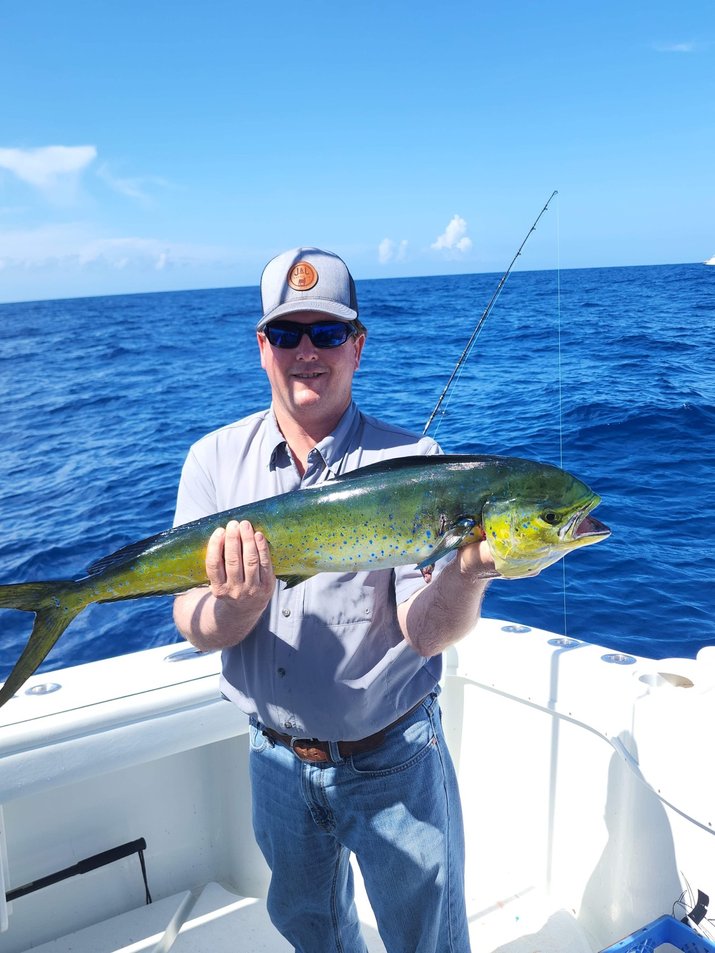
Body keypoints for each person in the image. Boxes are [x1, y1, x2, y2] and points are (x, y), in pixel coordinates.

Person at [173, 247, 498, 953]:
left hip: (393, 762)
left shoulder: (417, 462)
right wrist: (232, 611)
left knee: (427, 941)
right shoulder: (211, 461)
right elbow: (191, 620)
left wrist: (467, 574)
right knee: (313, 937)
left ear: (357, 344)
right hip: (275, 765)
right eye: (288, 334)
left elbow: (423, 631)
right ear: (262, 346)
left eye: (326, 333)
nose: (306, 353)